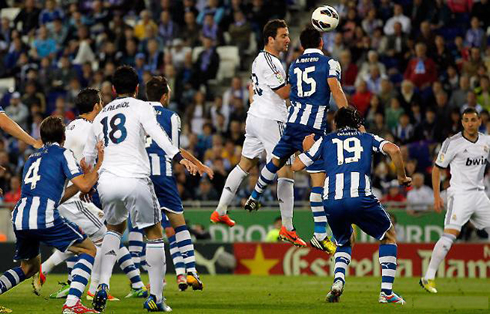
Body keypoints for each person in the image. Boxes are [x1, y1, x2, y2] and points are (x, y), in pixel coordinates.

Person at [83, 66, 198, 312]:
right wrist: (179, 157)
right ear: (136, 89)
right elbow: (158, 134)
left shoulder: (100, 116)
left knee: (113, 230)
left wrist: (87, 183)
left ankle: (102, 284)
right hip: (135, 178)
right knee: (155, 233)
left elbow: (87, 158)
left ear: (113, 90)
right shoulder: (142, 107)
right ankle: (156, 298)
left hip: (107, 182)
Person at [32, 89, 148, 301]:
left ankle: (52, 272)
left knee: (88, 239)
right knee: (107, 236)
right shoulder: (91, 128)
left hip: (66, 195)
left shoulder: (70, 127)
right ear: (96, 106)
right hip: (74, 198)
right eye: (101, 104)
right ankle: (95, 288)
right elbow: (89, 162)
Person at [245, 26, 350, 253]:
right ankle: (320, 234)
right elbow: (336, 91)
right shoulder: (330, 64)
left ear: (302, 46)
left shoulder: (294, 65)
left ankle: (254, 195)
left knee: (275, 161)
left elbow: (290, 92)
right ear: (321, 43)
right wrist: (350, 119)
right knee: (318, 180)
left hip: (292, 123)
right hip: (313, 129)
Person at [292, 107, 411, 304]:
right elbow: (394, 150)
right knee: (388, 236)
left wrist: (306, 149)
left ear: (335, 123)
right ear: (357, 123)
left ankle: (338, 281)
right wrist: (401, 176)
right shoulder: (367, 137)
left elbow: (296, 166)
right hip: (360, 197)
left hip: (331, 200)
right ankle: (387, 292)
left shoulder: (326, 140)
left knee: (345, 240)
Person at [210, 19, 303, 246]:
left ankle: (220, 210)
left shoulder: (262, 60)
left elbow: (254, 90)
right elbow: (284, 92)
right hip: (271, 119)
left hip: (256, 117)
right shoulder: (269, 61)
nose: (288, 40)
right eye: (283, 35)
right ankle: (288, 227)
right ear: (270, 39)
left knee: (245, 164)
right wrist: (303, 78)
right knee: (286, 169)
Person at [0, 116, 104, 314]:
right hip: (43, 216)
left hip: (21, 216)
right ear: (63, 136)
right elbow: (85, 185)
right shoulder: (63, 153)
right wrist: (97, 167)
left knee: (29, 268)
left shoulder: (32, 158)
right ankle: (72, 305)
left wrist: (81, 181)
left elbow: (60, 196)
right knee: (88, 249)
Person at [144, 76, 212, 291]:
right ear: (165, 96)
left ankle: (143, 280)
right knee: (178, 224)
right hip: (163, 176)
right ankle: (190, 270)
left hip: (140, 178)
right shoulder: (171, 117)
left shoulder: (136, 113)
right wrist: (196, 163)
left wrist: (197, 163)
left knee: (146, 231)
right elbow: (172, 148)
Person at [420, 108, 490, 293]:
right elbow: (437, 169)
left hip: (480, 194)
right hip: (460, 195)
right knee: (449, 236)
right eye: (466, 120)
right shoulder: (452, 143)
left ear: (479, 121)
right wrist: (436, 196)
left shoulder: (486, 141)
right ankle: (428, 277)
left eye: (473, 120)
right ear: (462, 122)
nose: (470, 123)